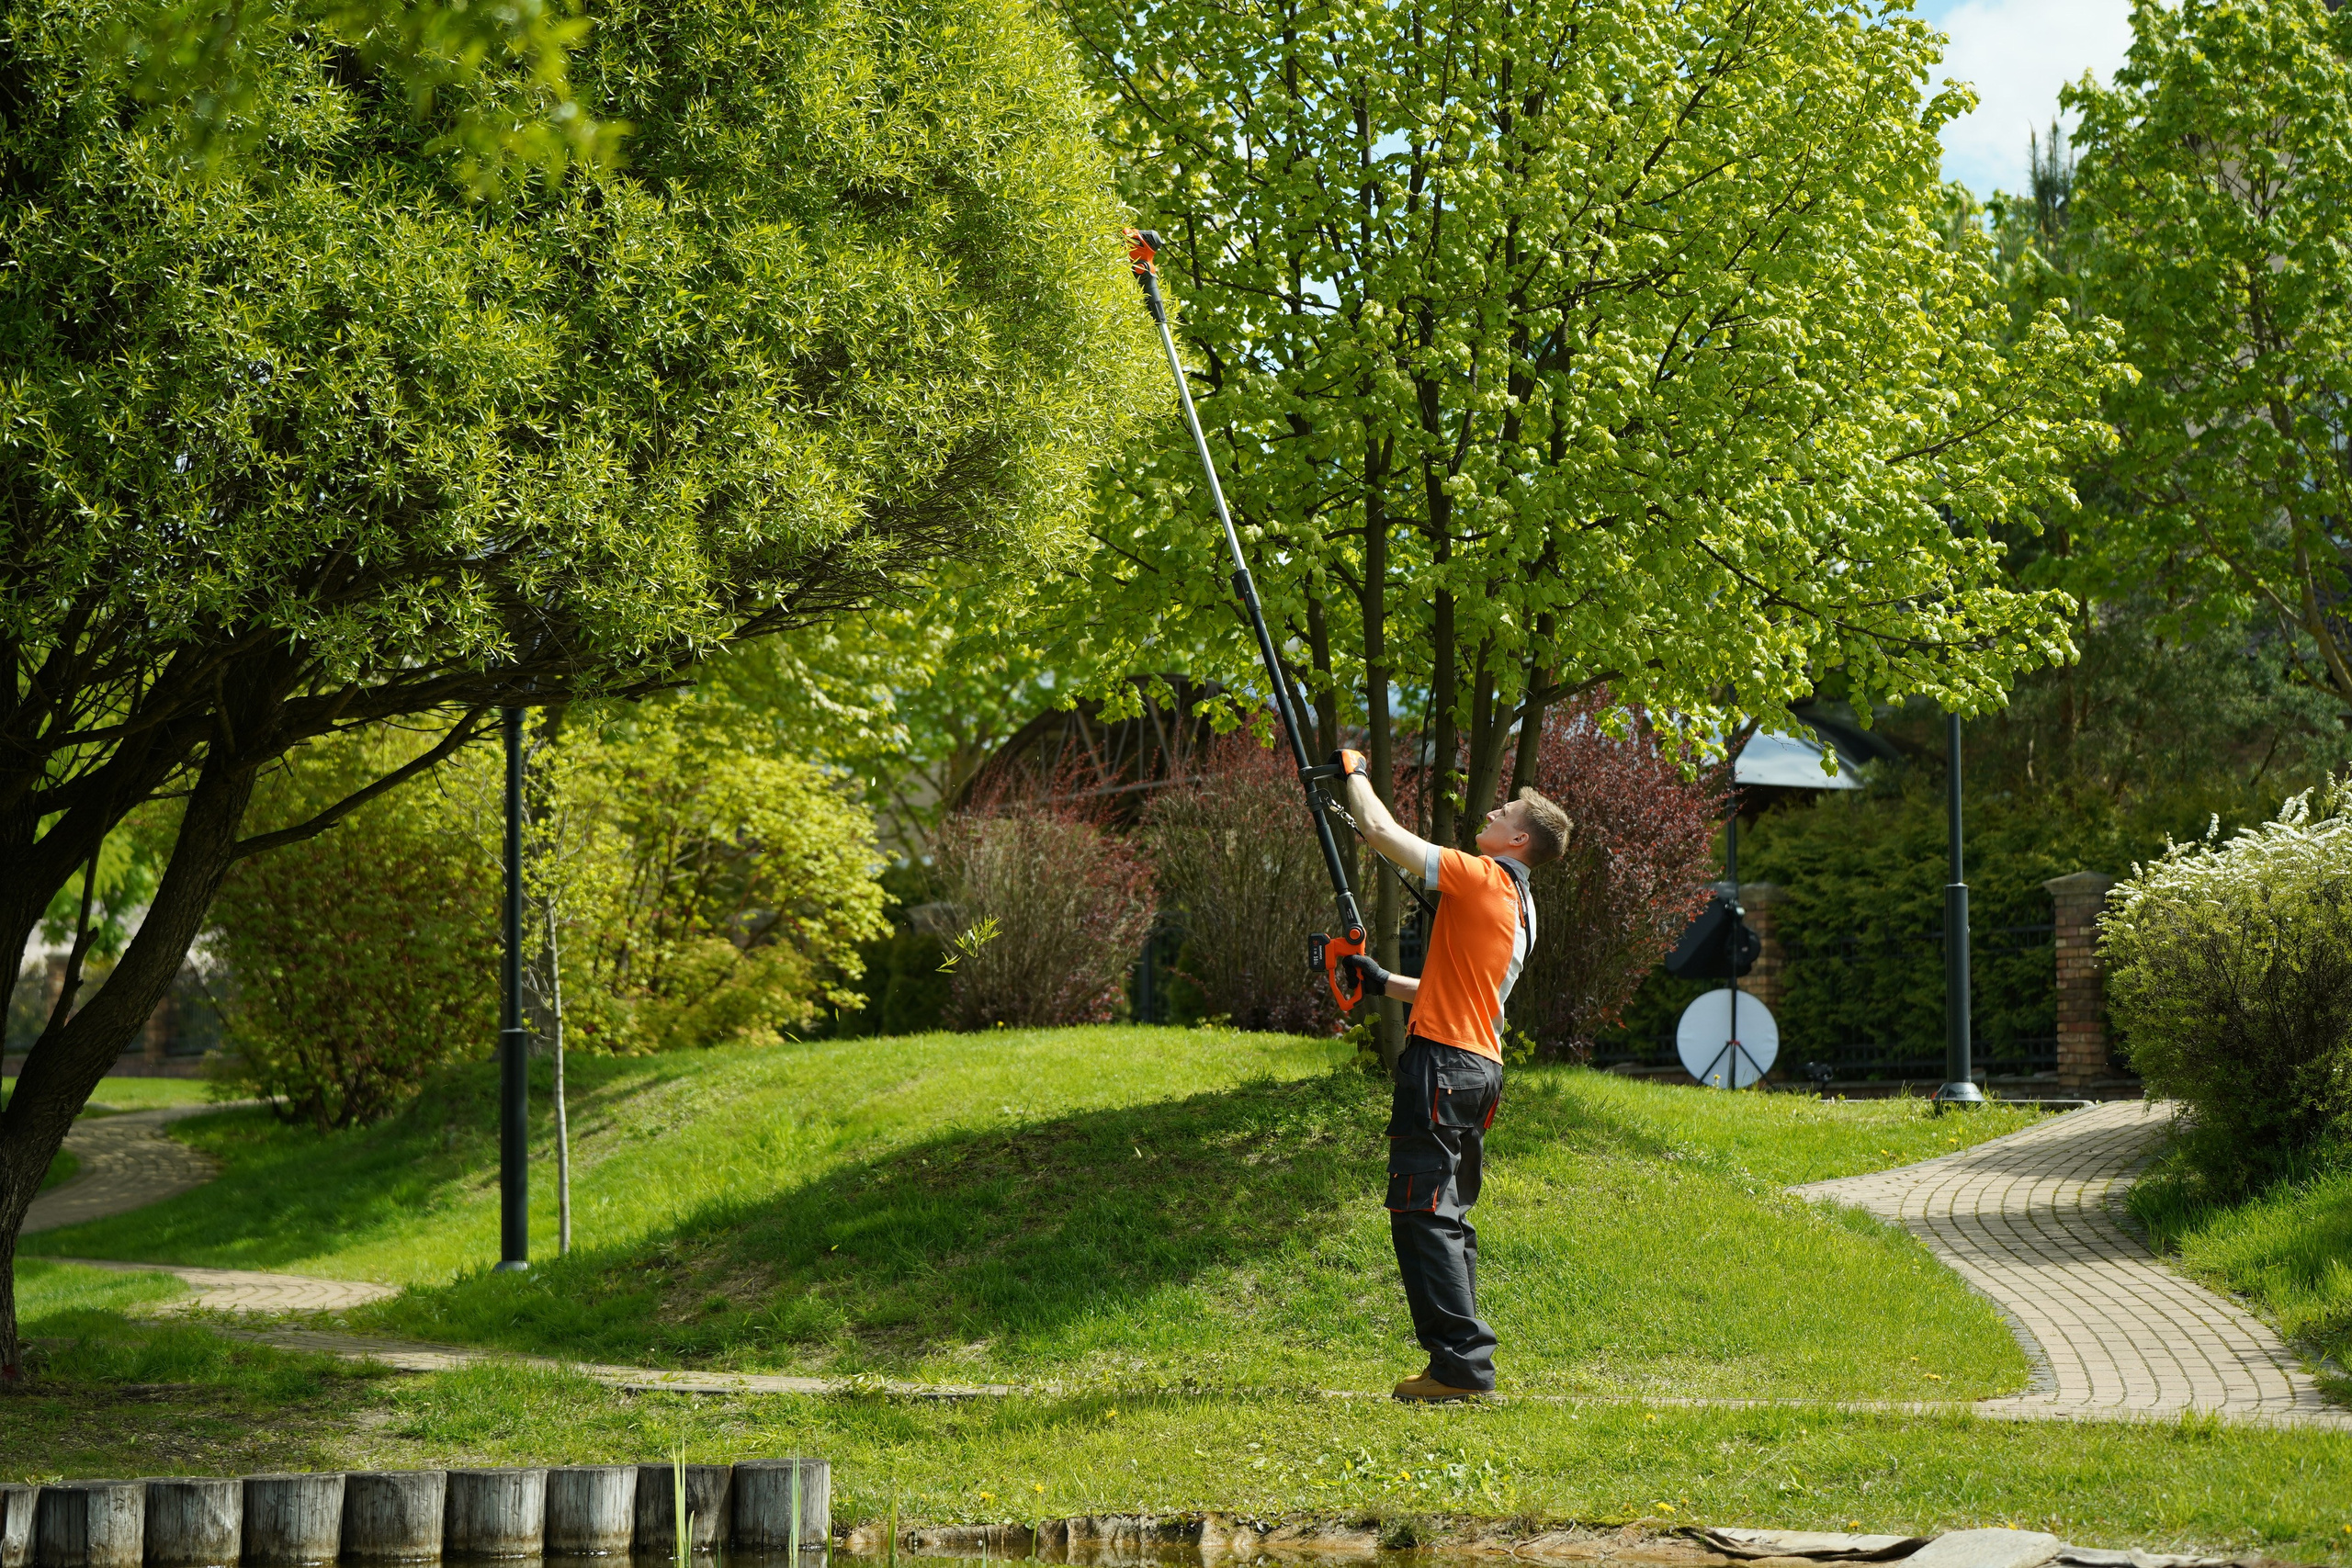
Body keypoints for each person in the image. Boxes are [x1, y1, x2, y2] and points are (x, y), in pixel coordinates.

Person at [1328, 750, 1572, 1402]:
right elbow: (1466, 991)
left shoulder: (1482, 876)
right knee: (1448, 1214)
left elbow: (1380, 832)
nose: (1491, 812)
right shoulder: (1524, 907)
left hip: (1442, 1066)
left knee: (1421, 1211)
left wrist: (1355, 773)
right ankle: (1460, 1362)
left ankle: (1460, 1367)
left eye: (1504, 811)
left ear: (1519, 838)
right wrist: (1383, 982)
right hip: (1478, 1068)